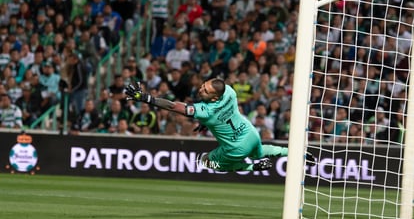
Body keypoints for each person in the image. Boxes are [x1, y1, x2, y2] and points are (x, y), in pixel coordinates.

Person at [125, 78, 316, 172]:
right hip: (251, 133)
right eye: (204, 85)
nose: (201, 89)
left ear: (215, 97)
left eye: (205, 90)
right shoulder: (231, 92)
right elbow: (222, 114)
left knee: (207, 161)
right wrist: (206, 124)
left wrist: (144, 97)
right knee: (265, 149)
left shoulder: (205, 111)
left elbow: (174, 106)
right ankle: (299, 154)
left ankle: (253, 168)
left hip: (235, 147)